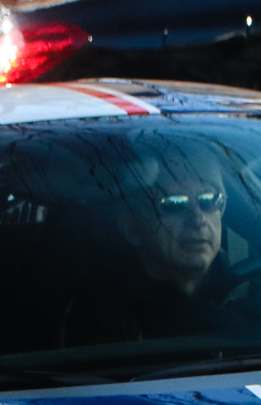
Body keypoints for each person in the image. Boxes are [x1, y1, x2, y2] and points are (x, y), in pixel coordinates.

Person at [61, 143, 244, 344]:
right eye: (174, 204)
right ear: (133, 228)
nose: (198, 220)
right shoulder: (102, 313)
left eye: (208, 200)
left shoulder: (252, 290)